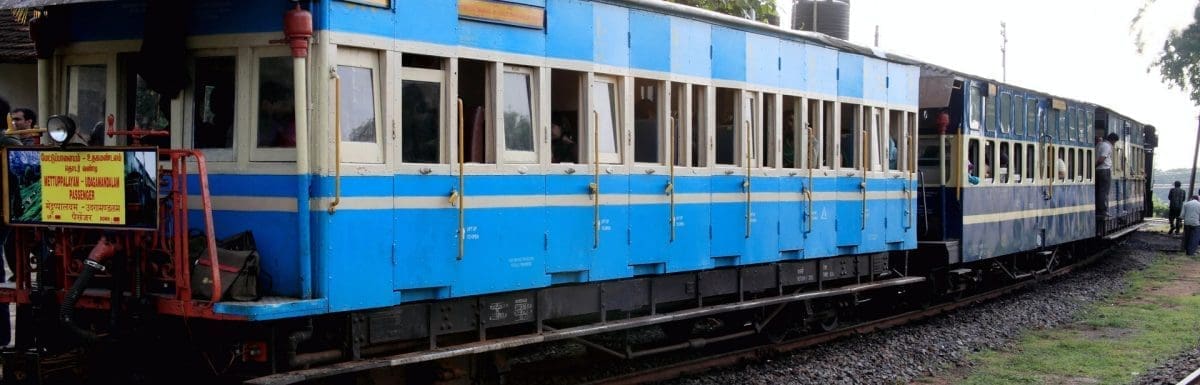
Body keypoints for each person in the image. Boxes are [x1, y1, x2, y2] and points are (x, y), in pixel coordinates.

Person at [1095, 132, 1117, 217]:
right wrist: (1094, 166)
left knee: (1098, 190)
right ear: (1112, 140)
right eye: (1114, 142)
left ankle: (1098, 209)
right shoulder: (1107, 146)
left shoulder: (1099, 144)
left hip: (1098, 170)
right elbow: (1101, 159)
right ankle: (1102, 210)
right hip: (1104, 170)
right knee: (1104, 191)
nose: (1114, 144)